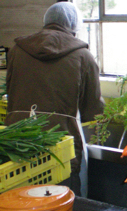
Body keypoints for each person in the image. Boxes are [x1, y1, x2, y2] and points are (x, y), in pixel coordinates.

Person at [5, 2, 105, 196]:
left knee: (22, 201)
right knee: (61, 202)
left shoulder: (17, 51)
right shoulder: (83, 56)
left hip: (17, 144)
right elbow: (92, 111)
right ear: (75, 25)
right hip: (60, 149)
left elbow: (12, 93)